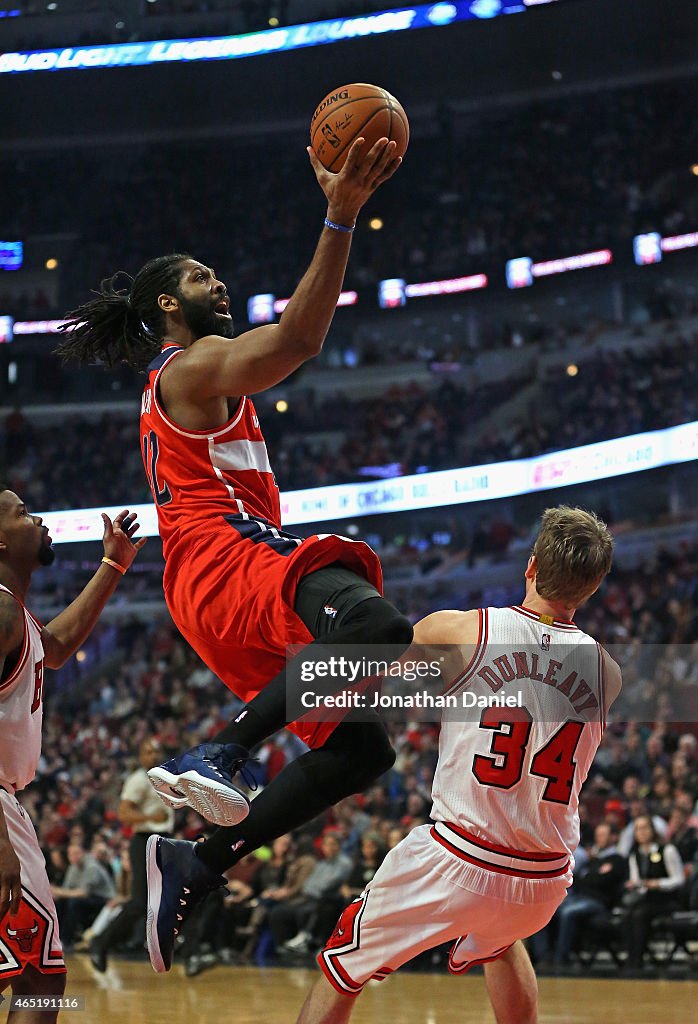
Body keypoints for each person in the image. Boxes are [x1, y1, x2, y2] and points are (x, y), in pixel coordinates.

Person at [57, 137, 413, 973]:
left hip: (208, 590)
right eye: (198, 277)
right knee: (371, 616)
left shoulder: (191, 379)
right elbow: (296, 342)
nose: (215, 282)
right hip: (227, 558)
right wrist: (340, 217)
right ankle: (218, 752)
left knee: (362, 750)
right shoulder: (192, 366)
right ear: (167, 311)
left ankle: (197, 860)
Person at [295, 506, 622, 1024]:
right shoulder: (607, 672)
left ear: (531, 566)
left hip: (461, 855)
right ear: (593, 586)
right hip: (544, 878)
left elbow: (376, 663)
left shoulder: (462, 630)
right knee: (500, 938)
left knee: (342, 967)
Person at [0, 487, 144, 1023]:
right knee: (41, 975)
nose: (36, 516)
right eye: (20, 513)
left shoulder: (13, 612)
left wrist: (113, 564)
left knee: (37, 971)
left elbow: (56, 647)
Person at [89, 737, 175, 971]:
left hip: (166, 840)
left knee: (170, 899)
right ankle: (101, 942)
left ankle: (178, 948)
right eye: (147, 752)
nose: (153, 755)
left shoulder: (169, 777)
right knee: (140, 903)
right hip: (144, 840)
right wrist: (149, 818)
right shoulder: (138, 780)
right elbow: (124, 814)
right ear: (141, 756)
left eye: (156, 751)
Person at [622, 814, 685, 969]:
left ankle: (638, 960)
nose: (641, 832)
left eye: (644, 828)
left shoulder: (667, 850)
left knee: (639, 914)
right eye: (637, 829)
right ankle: (631, 957)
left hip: (667, 899)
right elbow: (637, 881)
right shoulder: (635, 855)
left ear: (653, 830)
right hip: (646, 898)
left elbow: (679, 879)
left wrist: (658, 883)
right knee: (627, 913)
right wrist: (634, 884)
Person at [50, 842, 115, 949]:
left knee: (74, 903)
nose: (73, 857)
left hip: (104, 900)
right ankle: (56, 938)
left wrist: (57, 891)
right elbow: (66, 890)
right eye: (70, 854)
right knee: (59, 901)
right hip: (87, 899)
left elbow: (84, 893)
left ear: (83, 853)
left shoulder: (92, 867)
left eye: (76, 853)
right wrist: (56, 894)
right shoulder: (73, 868)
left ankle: (66, 939)